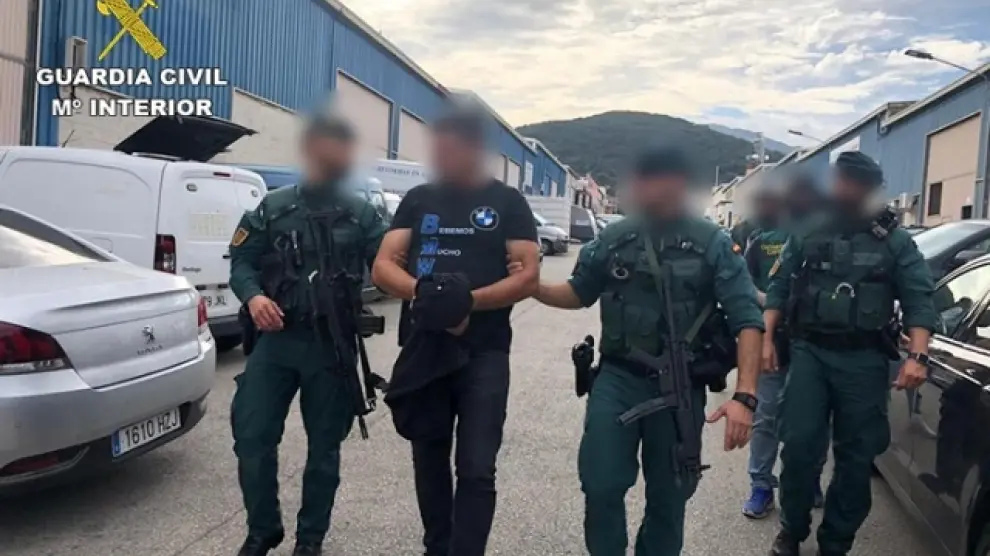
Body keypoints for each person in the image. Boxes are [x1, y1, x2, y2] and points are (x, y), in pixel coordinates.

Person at [533, 146, 765, 555]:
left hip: (680, 385)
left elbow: (747, 318)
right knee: (600, 483)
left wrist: (744, 398)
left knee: (670, 496)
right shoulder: (616, 237)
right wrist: (531, 287)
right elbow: (579, 292)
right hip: (618, 378)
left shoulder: (711, 242)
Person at [371, 101, 541, 556]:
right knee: (428, 458)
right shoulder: (418, 199)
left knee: (477, 467)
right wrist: (426, 296)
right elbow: (383, 265)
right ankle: (437, 547)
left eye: (452, 146)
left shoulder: (507, 202)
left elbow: (528, 275)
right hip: (425, 347)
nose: (442, 155)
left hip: (485, 350)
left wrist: (468, 303)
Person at [228, 109, 388, 556]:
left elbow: (392, 263)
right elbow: (241, 262)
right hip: (277, 340)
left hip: (330, 346)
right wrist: (253, 297)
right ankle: (262, 531)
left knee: (325, 447)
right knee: (252, 436)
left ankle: (310, 539)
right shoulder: (273, 207)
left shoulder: (362, 214)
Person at [763, 151, 937, 556]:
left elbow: (919, 298)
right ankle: (792, 528)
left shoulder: (894, 240)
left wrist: (918, 356)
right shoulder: (807, 229)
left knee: (856, 458)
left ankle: (836, 543)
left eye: (854, 184)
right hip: (810, 352)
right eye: (840, 181)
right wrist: (767, 338)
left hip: (863, 360)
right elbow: (779, 286)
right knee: (799, 445)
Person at [741, 178, 825, 520]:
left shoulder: (824, 238)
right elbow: (744, 288)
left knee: (815, 420)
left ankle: (811, 479)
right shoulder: (762, 241)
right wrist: (766, 328)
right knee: (766, 417)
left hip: (815, 345)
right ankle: (761, 486)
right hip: (774, 342)